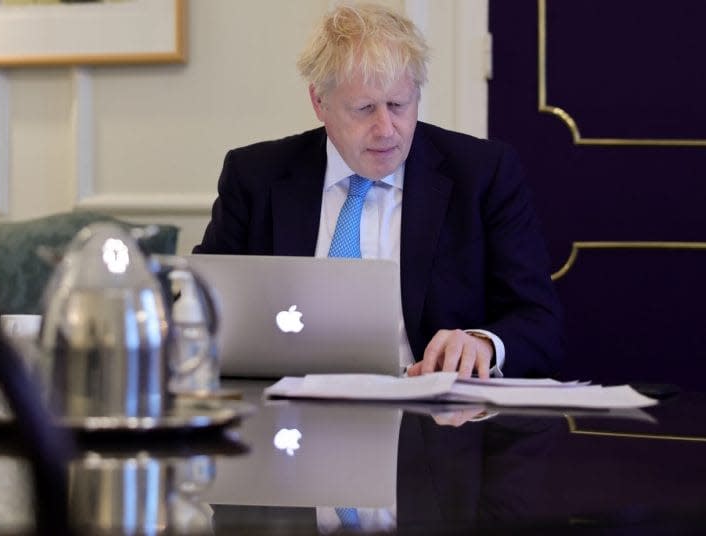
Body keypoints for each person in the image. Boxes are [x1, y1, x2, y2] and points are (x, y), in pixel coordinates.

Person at [194, 3, 562, 378]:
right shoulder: (256, 177)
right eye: (364, 108)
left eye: (398, 105)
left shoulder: (483, 174)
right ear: (319, 102)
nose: (386, 128)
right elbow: (199, 309)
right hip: (288, 412)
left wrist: (483, 344)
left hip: (431, 416)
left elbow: (539, 324)